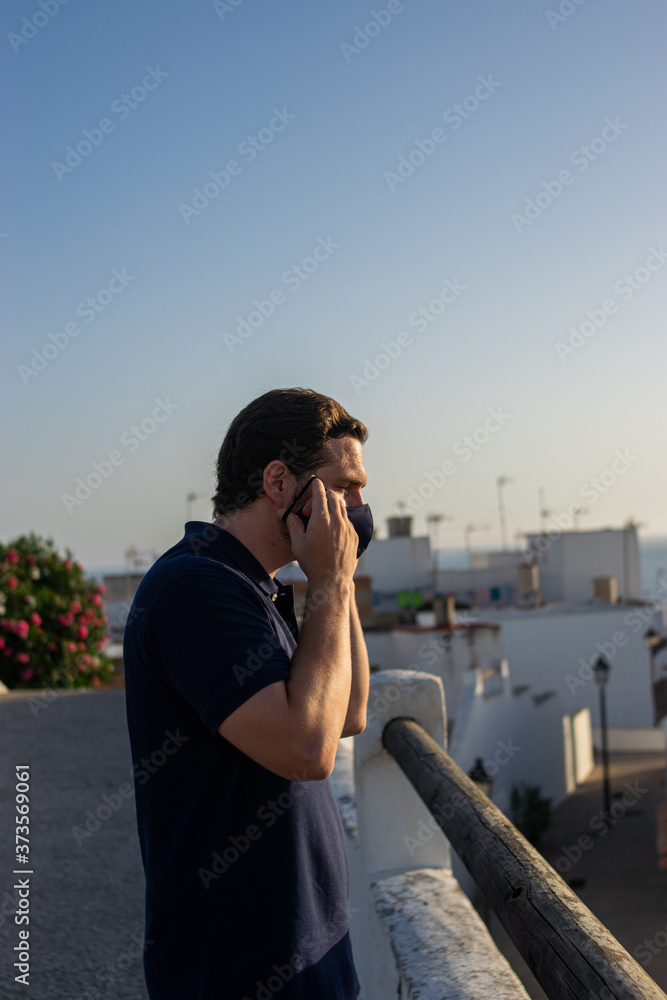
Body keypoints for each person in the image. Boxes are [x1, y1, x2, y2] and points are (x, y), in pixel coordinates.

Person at [123, 387, 372, 999]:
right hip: (235, 969)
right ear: (280, 482)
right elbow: (308, 750)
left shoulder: (255, 587)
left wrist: (337, 576)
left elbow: (350, 713)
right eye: (343, 487)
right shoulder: (196, 589)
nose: (360, 506)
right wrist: (332, 580)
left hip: (308, 956)